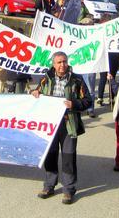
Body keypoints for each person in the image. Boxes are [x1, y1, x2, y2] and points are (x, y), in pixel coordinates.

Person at [32, 51, 92, 205]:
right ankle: (49, 186)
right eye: (59, 62)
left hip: (68, 125)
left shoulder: (76, 79)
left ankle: (69, 189)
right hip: (50, 125)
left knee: (68, 158)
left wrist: (75, 104)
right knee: (50, 156)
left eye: (64, 61)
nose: (62, 65)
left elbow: (88, 101)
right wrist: (35, 93)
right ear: (53, 64)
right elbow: (37, 92)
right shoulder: (46, 78)